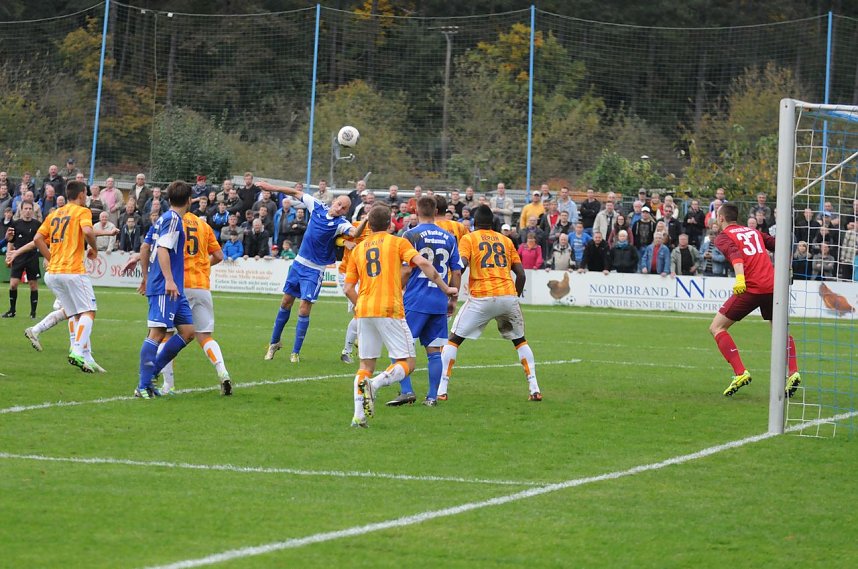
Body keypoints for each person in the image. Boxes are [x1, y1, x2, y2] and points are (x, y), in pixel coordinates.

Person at [344, 204, 457, 427]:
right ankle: (375, 385)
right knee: (409, 362)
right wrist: (446, 288)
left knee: (365, 365)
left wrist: (361, 306)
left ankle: (358, 416)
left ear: (369, 224)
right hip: (390, 309)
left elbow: (348, 288)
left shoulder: (358, 249)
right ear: (390, 223)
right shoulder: (397, 242)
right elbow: (422, 263)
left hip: (364, 310)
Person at [439, 205, 542, 402]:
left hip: (482, 297)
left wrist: (450, 290)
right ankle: (534, 388)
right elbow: (521, 275)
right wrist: (514, 298)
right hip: (507, 295)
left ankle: (441, 389)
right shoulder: (506, 240)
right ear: (492, 223)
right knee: (520, 341)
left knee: (453, 340)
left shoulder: (469, 238)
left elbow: (461, 267)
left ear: (475, 223)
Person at [258, 180, 367, 363]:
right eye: (339, 204)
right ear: (334, 201)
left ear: (346, 211)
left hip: (314, 270)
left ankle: (295, 352)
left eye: (344, 208)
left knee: (304, 307)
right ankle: (274, 343)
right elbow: (295, 193)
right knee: (285, 302)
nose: (339, 208)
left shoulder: (341, 223)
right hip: (299, 263)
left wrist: (366, 219)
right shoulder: (317, 206)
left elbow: (355, 233)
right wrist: (272, 188)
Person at [8, 181, 107, 372]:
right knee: (89, 311)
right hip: (73, 271)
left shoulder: (54, 214)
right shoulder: (82, 211)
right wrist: (94, 249)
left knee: (74, 312)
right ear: (81, 194)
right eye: (85, 194)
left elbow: (37, 239)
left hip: (53, 273)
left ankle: (86, 356)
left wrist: (50, 258)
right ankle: (77, 351)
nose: (86, 197)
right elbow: (88, 231)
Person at [709, 203, 801, 398]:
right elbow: (781, 245)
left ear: (721, 218)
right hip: (773, 287)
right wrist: (790, 264)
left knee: (717, 327)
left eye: (717, 215)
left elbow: (735, 255)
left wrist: (740, 278)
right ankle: (793, 371)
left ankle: (740, 372)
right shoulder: (754, 232)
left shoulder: (723, 237)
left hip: (751, 287)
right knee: (779, 330)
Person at [383, 196, 463, 407]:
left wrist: (397, 289)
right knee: (434, 351)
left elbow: (406, 269)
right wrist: (452, 299)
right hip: (439, 300)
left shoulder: (410, 235)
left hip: (416, 299)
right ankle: (432, 397)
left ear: (416, 211)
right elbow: (456, 271)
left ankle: (407, 391)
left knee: (399, 346)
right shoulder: (449, 238)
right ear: (436, 211)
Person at [134, 181, 195, 398]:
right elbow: (161, 249)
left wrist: (145, 277)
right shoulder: (172, 220)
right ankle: (143, 386)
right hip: (165, 286)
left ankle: (151, 375)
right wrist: (167, 280)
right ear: (189, 200)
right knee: (158, 332)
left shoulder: (163, 218)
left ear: (169, 199)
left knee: (188, 332)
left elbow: (145, 247)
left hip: (172, 287)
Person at [3, 202, 41, 318]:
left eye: (30, 208)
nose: (28, 211)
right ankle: (12, 311)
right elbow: (10, 241)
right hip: (18, 257)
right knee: (13, 284)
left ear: (33, 210)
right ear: (21, 210)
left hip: (32, 257)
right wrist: (8, 255)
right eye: (26, 208)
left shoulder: (37, 225)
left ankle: (33, 313)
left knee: (33, 285)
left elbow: (41, 241)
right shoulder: (15, 224)